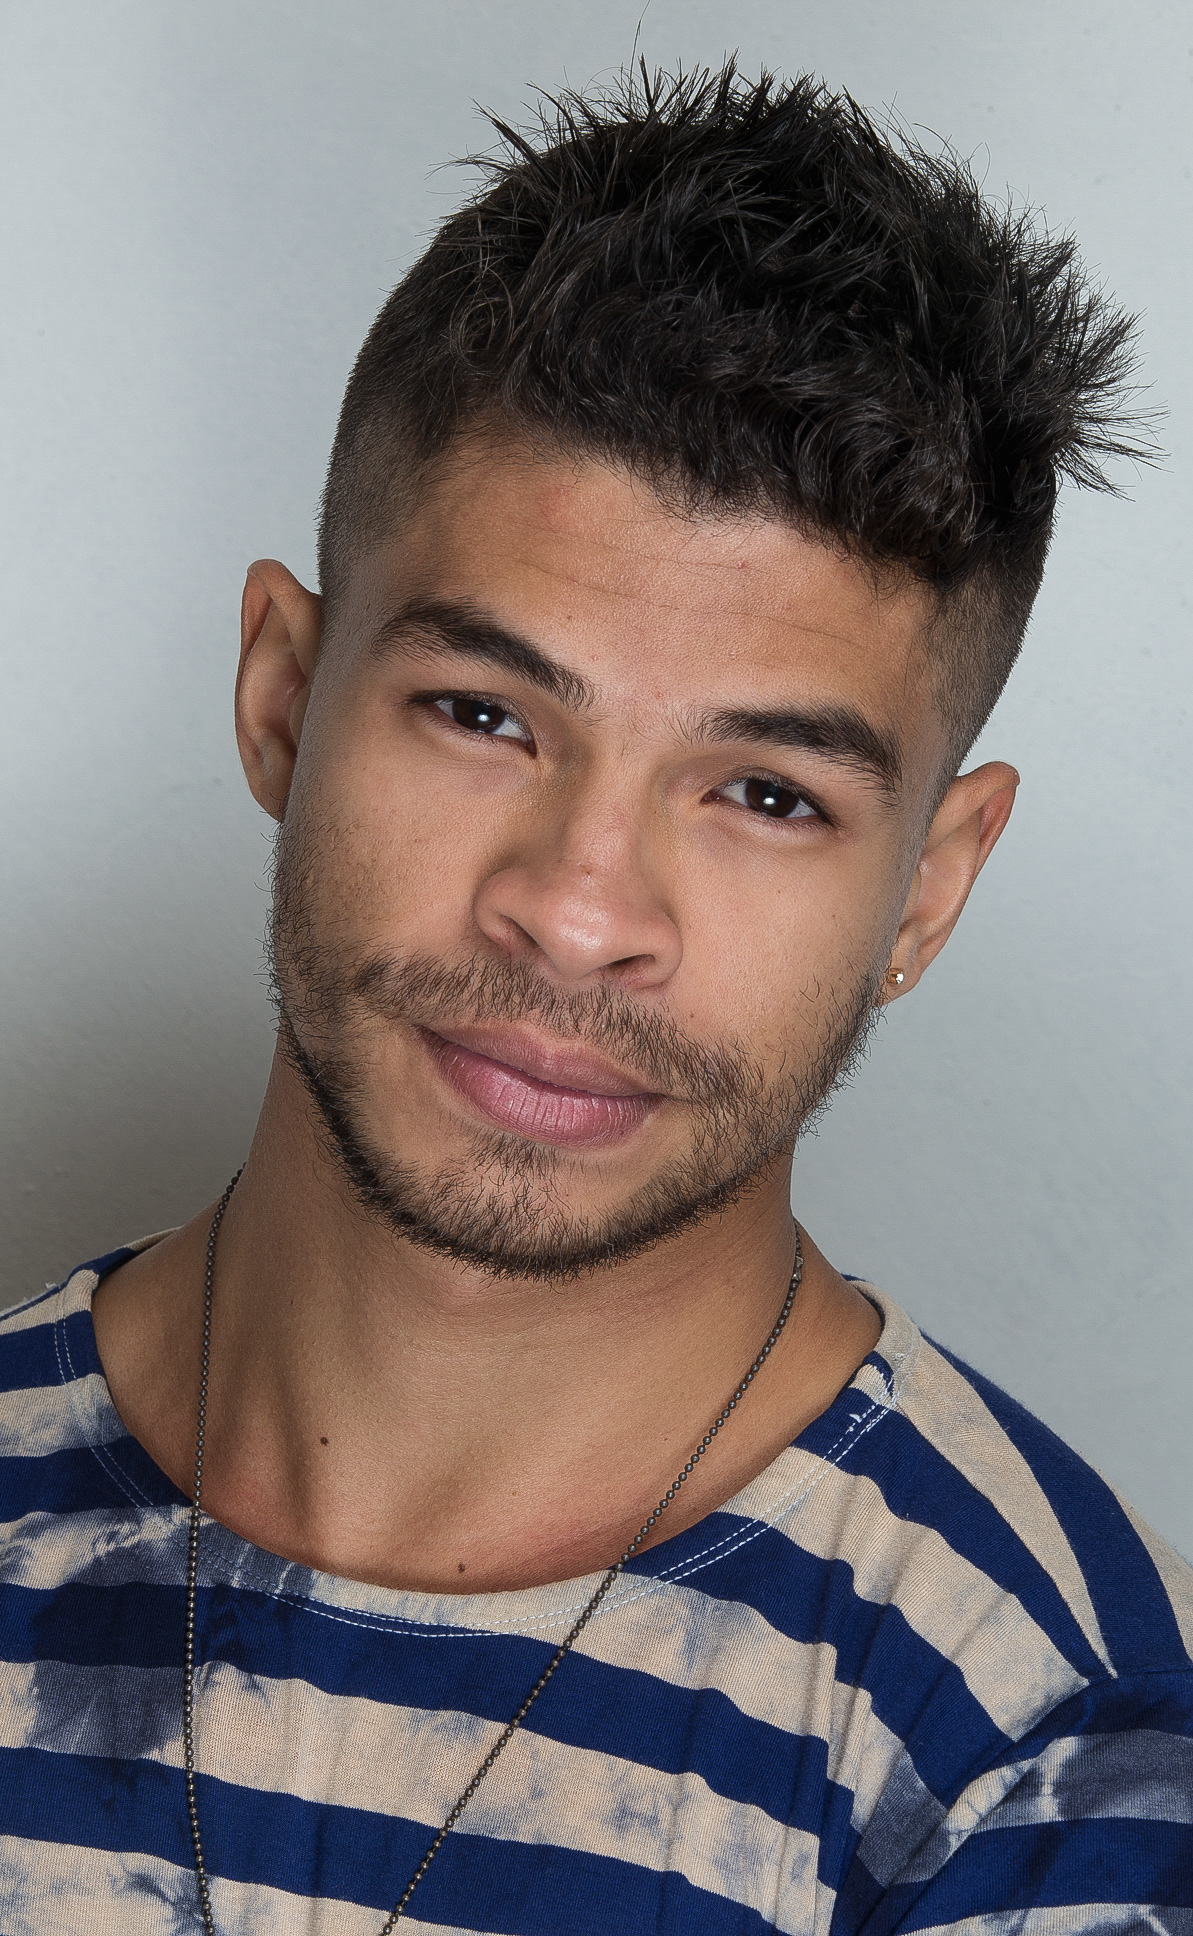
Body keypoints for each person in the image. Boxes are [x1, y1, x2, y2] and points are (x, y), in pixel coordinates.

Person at [1, 62, 1188, 1934]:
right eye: (484, 713)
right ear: (282, 699)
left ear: (928, 888)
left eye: (766, 795)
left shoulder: (1052, 1748)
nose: (575, 912)